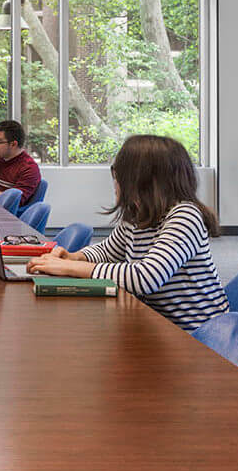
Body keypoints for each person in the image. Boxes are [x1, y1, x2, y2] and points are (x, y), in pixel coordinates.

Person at [28, 134, 227, 331]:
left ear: (141, 181)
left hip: (197, 335)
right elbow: (109, 251)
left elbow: (146, 278)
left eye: (118, 176)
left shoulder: (184, 216)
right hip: (157, 325)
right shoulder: (138, 214)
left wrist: (68, 268)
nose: (115, 184)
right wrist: (74, 257)